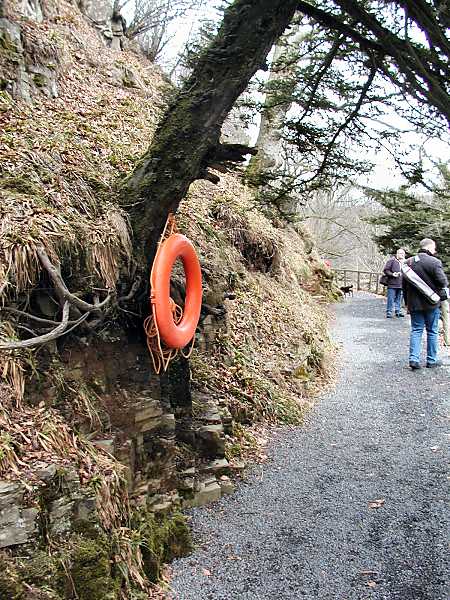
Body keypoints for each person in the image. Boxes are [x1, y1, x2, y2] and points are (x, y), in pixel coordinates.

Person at [402, 238, 449, 370]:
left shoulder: (408, 263)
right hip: (431, 303)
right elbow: (443, 282)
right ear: (428, 248)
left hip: (414, 304)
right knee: (432, 331)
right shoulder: (434, 262)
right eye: (434, 248)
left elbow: (404, 286)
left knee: (416, 330)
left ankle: (413, 359)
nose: (435, 251)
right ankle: (431, 360)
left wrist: (407, 304)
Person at [383, 248, 406, 318]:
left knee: (399, 299)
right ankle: (389, 312)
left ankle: (398, 311)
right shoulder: (391, 261)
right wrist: (393, 274)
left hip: (402, 284)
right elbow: (386, 270)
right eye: (400, 253)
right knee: (391, 298)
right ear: (397, 254)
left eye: (402, 253)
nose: (401, 255)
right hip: (392, 283)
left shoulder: (405, 262)